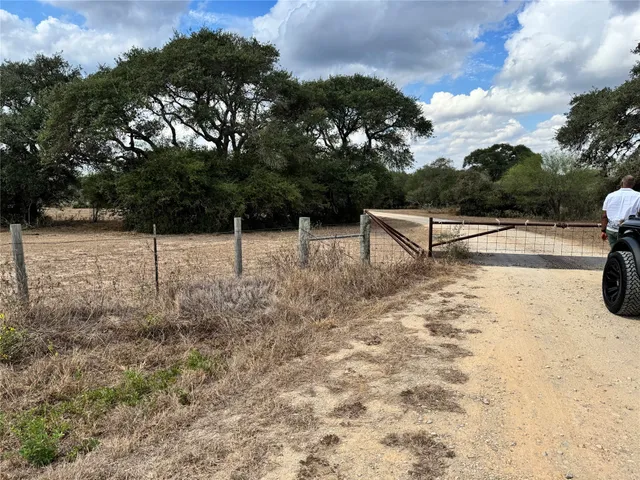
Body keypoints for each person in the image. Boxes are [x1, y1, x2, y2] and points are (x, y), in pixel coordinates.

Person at [601, 175, 640, 248]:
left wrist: (603, 230)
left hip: (611, 229)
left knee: (614, 250)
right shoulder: (638, 196)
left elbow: (604, 216)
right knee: (626, 253)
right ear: (633, 184)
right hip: (628, 230)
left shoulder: (610, 195)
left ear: (622, 182)